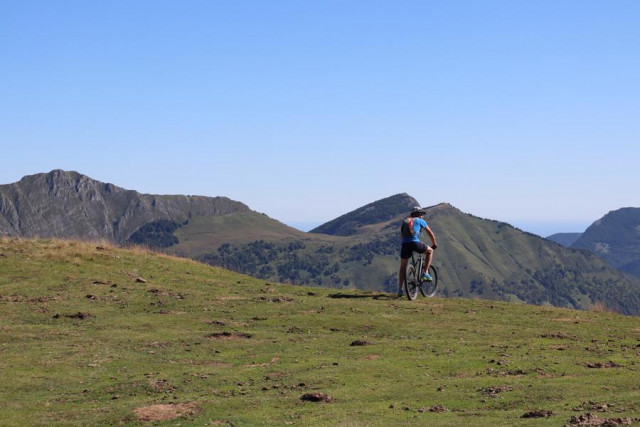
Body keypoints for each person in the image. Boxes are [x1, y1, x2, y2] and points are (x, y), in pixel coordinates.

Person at [398, 206, 437, 296]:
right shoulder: (420, 221)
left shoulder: (405, 221)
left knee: (403, 266)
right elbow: (430, 233)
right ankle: (426, 273)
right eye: (422, 214)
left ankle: (400, 289)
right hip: (415, 243)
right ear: (419, 214)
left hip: (405, 244)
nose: (423, 216)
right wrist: (434, 243)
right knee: (430, 251)